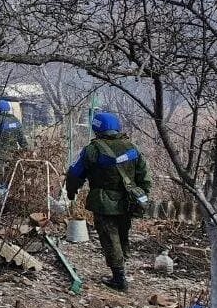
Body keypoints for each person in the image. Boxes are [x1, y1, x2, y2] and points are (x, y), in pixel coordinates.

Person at [64, 110, 152, 292]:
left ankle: (119, 279)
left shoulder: (93, 150)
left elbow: (75, 174)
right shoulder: (132, 148)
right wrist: (142, 196)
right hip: (128, 201)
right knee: (122, 234)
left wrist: (71, 193)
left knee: (110, 238)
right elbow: (145, 178)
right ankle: (120, 269)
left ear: (97, 129)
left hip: (104, 202)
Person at [0, 99, 29, 180]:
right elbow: (22, 139)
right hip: (13, 154)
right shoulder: (16, 121)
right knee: (11, 176)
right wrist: (26, 150)